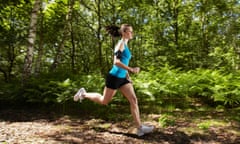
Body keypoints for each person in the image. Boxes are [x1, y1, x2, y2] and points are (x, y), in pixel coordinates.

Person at [73, 24, 154, 136]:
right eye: (130, 31)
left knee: (134, 100)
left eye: (132, 31)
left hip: (123, 78)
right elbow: (116, 62)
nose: (132, 33)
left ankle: (140, 128)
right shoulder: (120, 44)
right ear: (124, 33)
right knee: (104, 101)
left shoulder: (126, 44)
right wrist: (131, 69)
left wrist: (128, 78)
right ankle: (84, 94)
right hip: (114, 77)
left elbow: (124, 62)